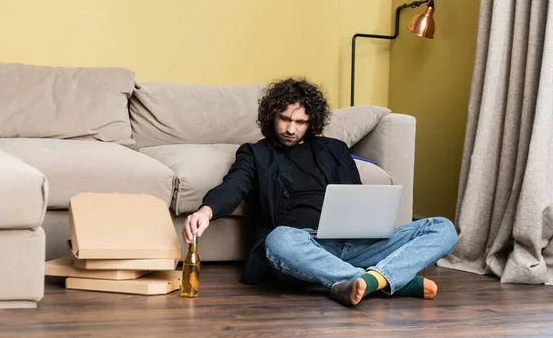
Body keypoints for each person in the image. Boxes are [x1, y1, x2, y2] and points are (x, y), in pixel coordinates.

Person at [182, 78, 458, 307]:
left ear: (311, 121)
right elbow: (235, 185)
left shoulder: (334, 149)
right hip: (301, 247)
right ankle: (384, 280)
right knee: (279, 239)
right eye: (284, 119)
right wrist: (206, 211)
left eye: (300, 122)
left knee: (443, 228)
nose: (290, 129)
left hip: (350, 244)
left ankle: (359, 280)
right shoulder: (255, 153)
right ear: (271, 117)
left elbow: (355, 201)